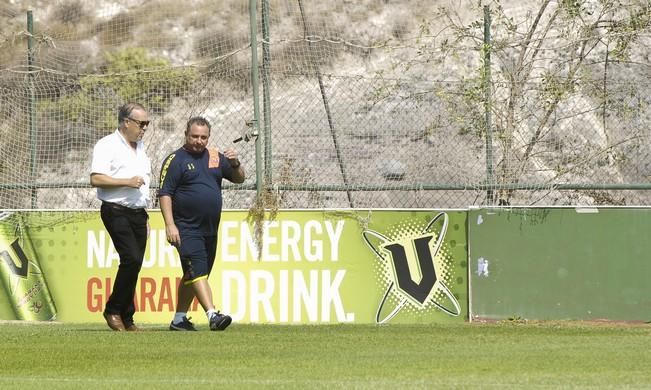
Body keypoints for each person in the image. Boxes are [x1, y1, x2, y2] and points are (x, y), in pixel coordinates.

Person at [158, 116, 245, 331]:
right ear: (186, 135)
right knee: (197, 270)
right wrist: (170, 224)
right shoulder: (175, 160)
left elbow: (239, 178)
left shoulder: (215, 156)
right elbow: (165, 193)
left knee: (194, 274)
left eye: (203, 137)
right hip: (186, 228)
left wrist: (235, 163)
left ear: (209, 137)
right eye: (194, 136)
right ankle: (213, 315)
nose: (199, 141)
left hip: (210, 229)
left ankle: (178, 320)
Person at [90, 102, 151, 332]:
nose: (144, 128)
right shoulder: (107, 145)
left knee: (135, 265)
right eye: (141, 123)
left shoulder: (141, 147)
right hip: (116, 210)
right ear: (127, 122)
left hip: (138, 213)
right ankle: (113, 310)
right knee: (131, 259)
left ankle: (127, 317)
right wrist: (126, 181)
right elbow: (96, 178)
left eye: (147, 123)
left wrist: (145, 216)